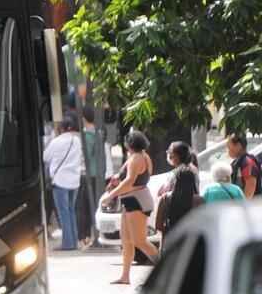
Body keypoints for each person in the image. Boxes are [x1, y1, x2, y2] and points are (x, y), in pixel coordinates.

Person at [102, 130, 160, 284]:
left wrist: (111, 195)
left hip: (137, 201)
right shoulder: (140, 156)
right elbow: (129, 178)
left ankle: (163, 271)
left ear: (130, 144)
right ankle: (125, 276)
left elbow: (129, 181)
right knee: (127, 241)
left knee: (139, 241)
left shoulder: (136, 158)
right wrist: (116, 180)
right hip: (132, 200)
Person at [43, 113, 84, 251]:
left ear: (61, 128)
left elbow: (45, 157)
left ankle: (67, 244)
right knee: (71, 211)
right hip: (75, 181)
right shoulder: (77, 141)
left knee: (63, 213)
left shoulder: (56, 141)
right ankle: (74, 242)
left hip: (60, 181)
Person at [156, 142, 202, 247]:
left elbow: (162, 192)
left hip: (173, 220)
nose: (168, 155)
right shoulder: (193, 169)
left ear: (176, 156)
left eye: (170, 152)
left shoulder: (177, 173)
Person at [76, 107, 109, 247]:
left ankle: (85, 236)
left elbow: (85, 156)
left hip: (86, 175)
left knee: (82, 207)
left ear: (83, 118)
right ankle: (97, 234)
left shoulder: (85, 135)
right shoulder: (100, 133)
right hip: (99, 174)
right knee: (95, 205)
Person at [228, 134, 259, 199]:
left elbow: (250, 188)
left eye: (229, 146)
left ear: (238, 146)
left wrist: (243, 206)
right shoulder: (238, 162)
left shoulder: (247, 162)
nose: (228, 149)